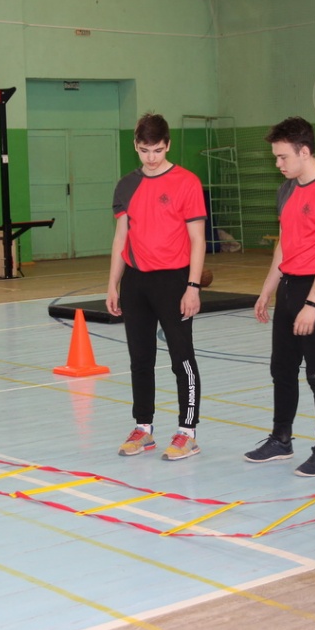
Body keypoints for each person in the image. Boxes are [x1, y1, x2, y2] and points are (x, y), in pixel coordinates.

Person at [243, 117, 315, 477]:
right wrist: (267, 290)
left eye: (282, 157)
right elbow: (284, 245)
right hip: (289, 288)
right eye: (276, 157)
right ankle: (281, 439)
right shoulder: (287, 190)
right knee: (282, 369)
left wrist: (312, 304)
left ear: (304, 152)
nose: (278, 164)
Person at [106, 112, 207, 461]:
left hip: (174, 281)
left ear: (168, 145)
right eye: (145, 150)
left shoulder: (187, 182)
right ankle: (143, 428)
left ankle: (187, 432)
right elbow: (121, 238)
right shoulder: (126, 186)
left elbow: (198, 239)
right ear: (135, 145)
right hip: (136, 282)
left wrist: (193, 286)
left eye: (158, 150)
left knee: (182, 359)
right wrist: (113, 284)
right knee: (140, 358)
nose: (151, 158)